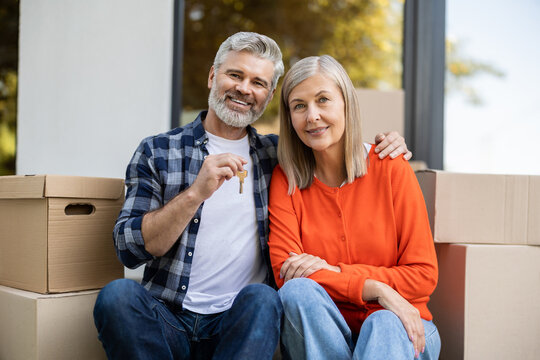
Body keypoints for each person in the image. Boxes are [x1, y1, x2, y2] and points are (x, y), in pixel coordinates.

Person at [93, 32, 411, 360]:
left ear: (270, 95)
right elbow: (129, 250)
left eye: (258, 82)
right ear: (212, 76)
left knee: (262, 298)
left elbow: (330, 141)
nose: (245, 88)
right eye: (235, 75)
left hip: (239, 322)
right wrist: (196, 194)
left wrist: (384, 146)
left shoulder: (279, 156)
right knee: (117, 296)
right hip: (167, 316)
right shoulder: (158, 150)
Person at [268, 54, 440, 360]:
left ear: (346, 103)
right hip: (323, 336)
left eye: (323, 100)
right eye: (299, 106)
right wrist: (376, 288)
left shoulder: (391, 168)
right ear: (290, 117)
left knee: (383, 322)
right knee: (297, 292)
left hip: (403, 327)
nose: (312, 116)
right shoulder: (287, 179)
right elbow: (286, 272)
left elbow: (423, 275)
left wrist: (333, 272)